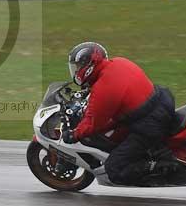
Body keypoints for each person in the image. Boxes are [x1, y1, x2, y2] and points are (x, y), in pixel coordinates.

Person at [60, 42, 179, 185]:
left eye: (78, 66)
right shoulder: (119, 61)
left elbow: (93, 124)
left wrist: (74, 135)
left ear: (89, 66)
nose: (76, 70)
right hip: (161, 100)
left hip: (150, 122)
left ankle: (162, 166)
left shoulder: (104, 89)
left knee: (114, 169)